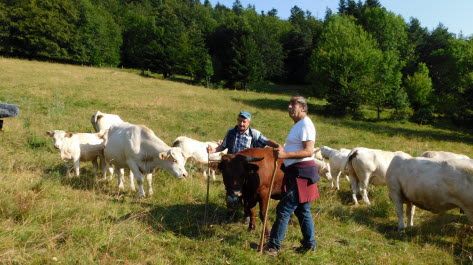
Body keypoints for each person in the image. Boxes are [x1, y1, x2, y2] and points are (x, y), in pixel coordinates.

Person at [265, 95, 318, 256]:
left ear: (303, 107)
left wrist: (284, 156)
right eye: (289, 104)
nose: (289, 107)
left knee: (284, 209)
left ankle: (273, 247)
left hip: (301, 173)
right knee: (302, 210)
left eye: (292, 104)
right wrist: (283, 151)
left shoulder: (306, 125)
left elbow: (309, 151)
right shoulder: (298, 124)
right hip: (297, 172)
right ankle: (309, 245)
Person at [207, 110, 279, 213]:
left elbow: (266, 141)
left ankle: (248, 213)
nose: (241, 124)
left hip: (245, 168)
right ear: (237, 121)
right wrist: (213, 150)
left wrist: (276, 146)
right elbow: (223, 146)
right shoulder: (231, 132)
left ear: (248, 122)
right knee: (231, 188)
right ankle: (231, 210)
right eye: (240, 121)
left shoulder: (254, 134)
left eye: (244, 122)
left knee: (247, 191)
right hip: (232, 167)